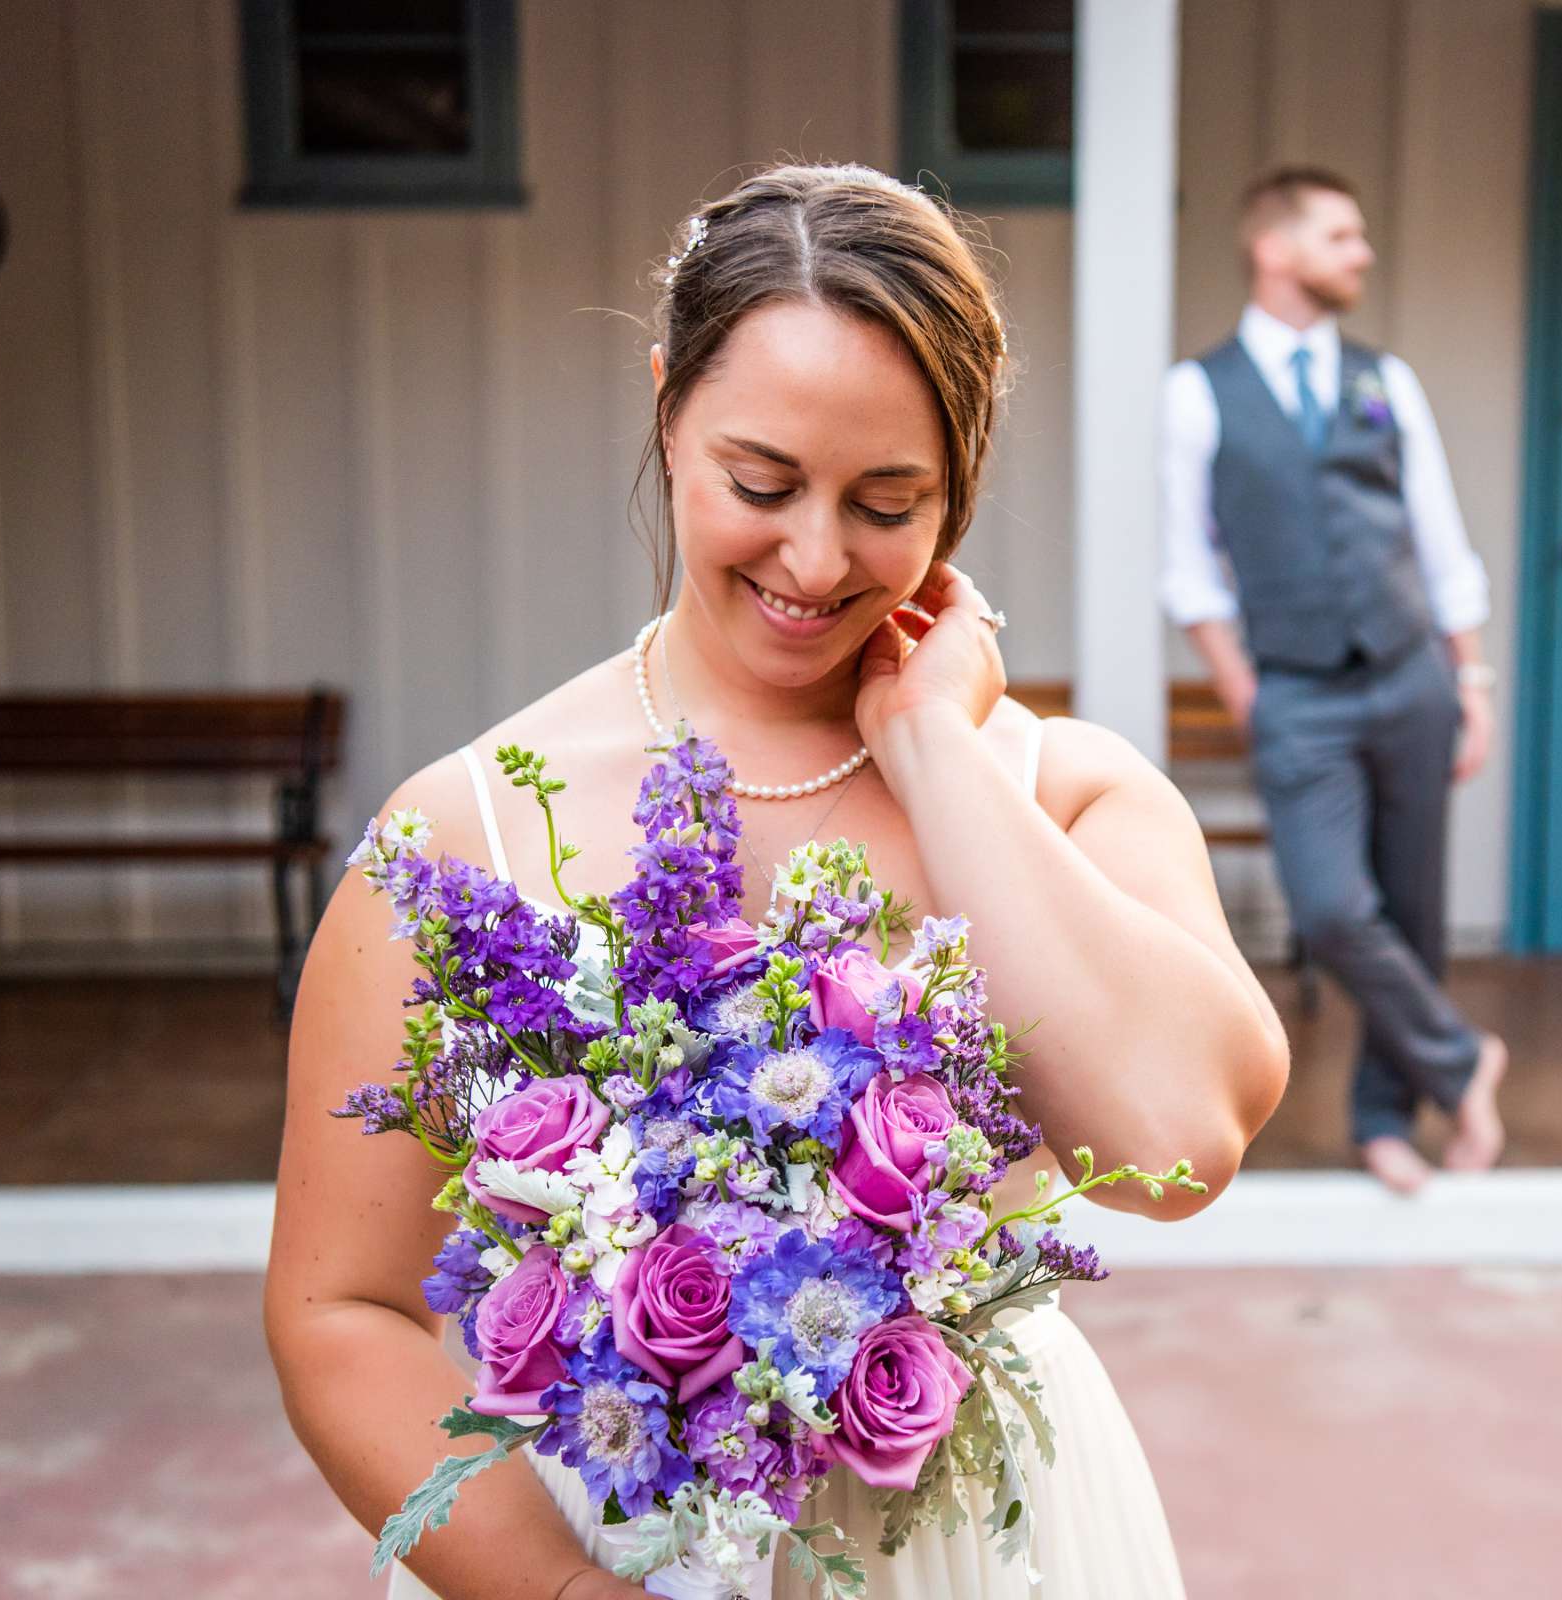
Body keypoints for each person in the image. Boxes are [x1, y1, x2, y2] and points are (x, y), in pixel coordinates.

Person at [265, 163, 1289, 1600]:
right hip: (595, 1545)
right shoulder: (464, 836)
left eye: (889, 501)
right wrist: (570, 1595)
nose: (814, 557)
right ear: (666, 406)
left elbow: (1174, 1150)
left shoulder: (1067, 796)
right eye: (760, 483)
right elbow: (341, 1307)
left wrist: (936, 750)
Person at [1157, 165, 1507, 1197]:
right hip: (1297, 691)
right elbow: (1190, 568)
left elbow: (1440, 541)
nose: (1361, 254)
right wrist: (1250, 692)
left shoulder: (1383, 381)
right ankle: (1463, 1058)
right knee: (1332, 907)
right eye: (1341, 236)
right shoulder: (1198, 393)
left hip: (1412, 678)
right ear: (1276, 249)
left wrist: (1471, 681)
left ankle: (1386, 1120)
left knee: (1414, 910)